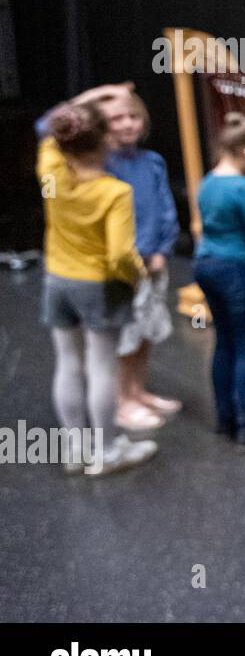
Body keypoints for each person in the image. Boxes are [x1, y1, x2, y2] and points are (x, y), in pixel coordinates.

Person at [38, 101, 157, 475]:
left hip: (57, 280)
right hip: (98, 287)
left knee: (68, 363)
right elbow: (121, 255)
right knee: (102, 367)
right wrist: (139, 277)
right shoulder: (114, 193)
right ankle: (105, 452)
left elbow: (47, 129)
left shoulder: (52, 169)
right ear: (104, 140)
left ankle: (75, 449)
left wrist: (98, 96)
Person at [193, 112, 245, 449]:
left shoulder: (208, 181)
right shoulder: (244, 189)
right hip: (237, 270)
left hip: (205, 266)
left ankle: (224, 418)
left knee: (223, 342)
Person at [100, 87, 181, 430]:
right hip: (122, 269)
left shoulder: (153, 162)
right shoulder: (101, 166)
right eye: (117, 118)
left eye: (133, 116)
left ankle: (137, 390)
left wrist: (162, 250)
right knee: (125, 337)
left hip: (153, 263)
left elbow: (166, 210)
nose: (128, 124)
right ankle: (121, 401)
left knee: (145, 332)